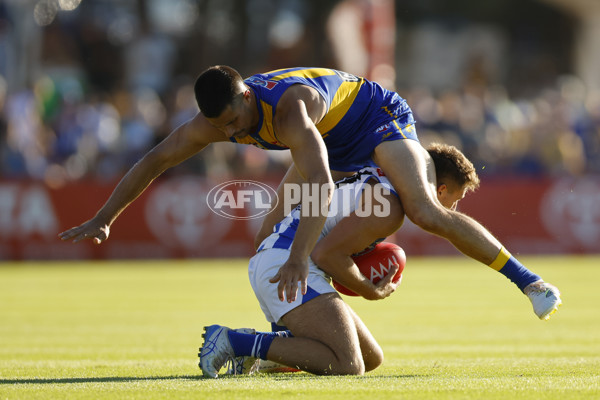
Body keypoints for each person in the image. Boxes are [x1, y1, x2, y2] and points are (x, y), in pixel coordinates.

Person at [58, 66, 561, 319]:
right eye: (222, 127)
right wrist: (106, 216)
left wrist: (302, 257)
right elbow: (155, 160)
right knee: (262, 240)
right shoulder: (219, 121)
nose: (233, 134)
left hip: (374, 118)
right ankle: (287, 337)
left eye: (236, 121)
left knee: (425, 211)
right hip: (324, 146)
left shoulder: (290, 109)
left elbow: (317, 180)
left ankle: (531, 283)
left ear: (247, 96)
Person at [198, 144, 478, 377]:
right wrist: (371, 290)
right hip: (286, 265)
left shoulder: (381, 179)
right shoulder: (389, 206)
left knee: (370, 358)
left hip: (284, 262)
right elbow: (326, 255)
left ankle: (258, 353)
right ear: (439, 190)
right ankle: (234, 341)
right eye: (457, 199)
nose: (454, 210)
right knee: (349, 365)